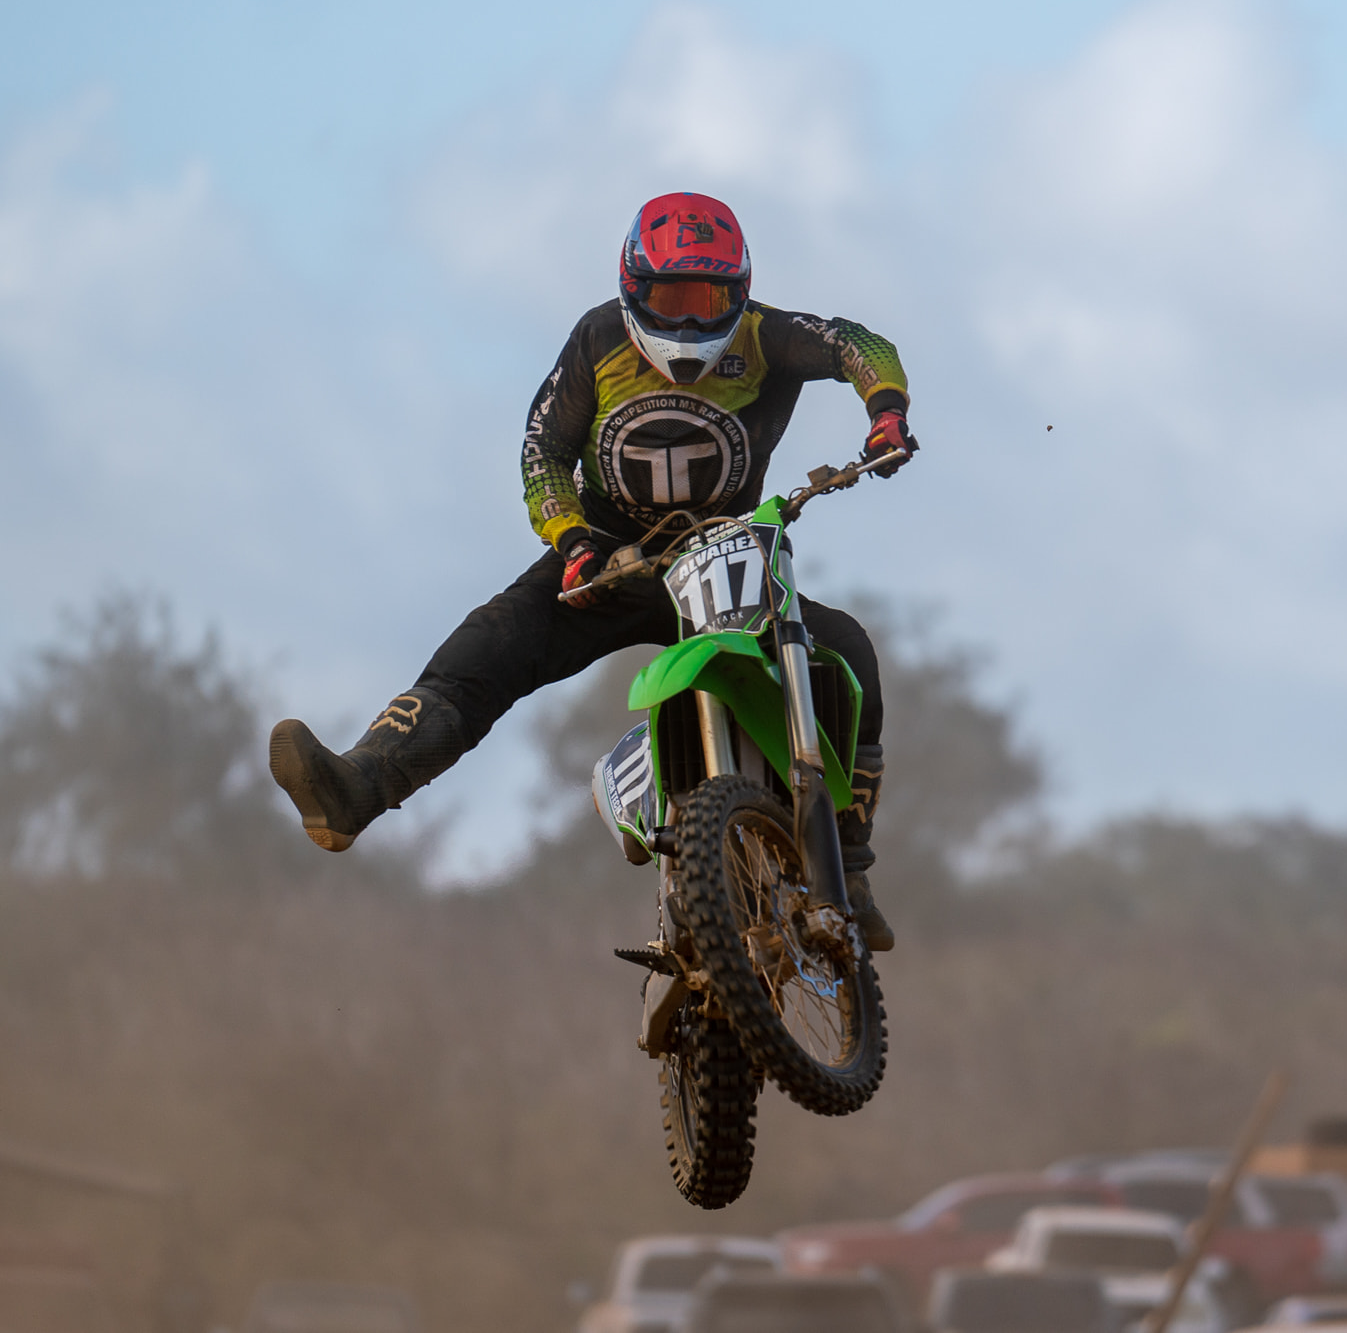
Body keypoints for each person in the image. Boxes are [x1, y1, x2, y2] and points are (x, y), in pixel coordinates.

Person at [268, 191, 914, 950]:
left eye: (708, 299)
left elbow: (852, 341)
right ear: (632, 289)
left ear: (739, 293)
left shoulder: (769, 335)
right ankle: (356, 788)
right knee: (487, 646)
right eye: (670, 298)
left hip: (728, 555)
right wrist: (571, 539)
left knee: (847, 656)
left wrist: (887, 410)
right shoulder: (598, 338)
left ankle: (850, 870)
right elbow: (544, 450)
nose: (687, 322)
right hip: (607, 559)